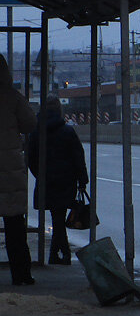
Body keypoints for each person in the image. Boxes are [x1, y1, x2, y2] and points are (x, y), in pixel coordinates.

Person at [28, 96, 89, 265]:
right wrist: (82, 179)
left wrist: (40, 174)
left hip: (46, 180)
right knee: (59, 216)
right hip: (65, 181)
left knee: (57, 217)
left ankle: (57, 254)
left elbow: (30, 158)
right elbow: (78, 157)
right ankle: (63, 253)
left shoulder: (36, 132)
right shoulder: (68, 131)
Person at [0, 55, 37, 285]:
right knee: (15, 226)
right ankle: (21, 274)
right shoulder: (12, 97)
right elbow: (30, 124)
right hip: (9, 167)